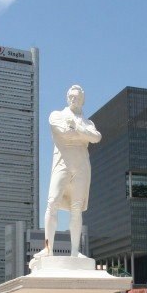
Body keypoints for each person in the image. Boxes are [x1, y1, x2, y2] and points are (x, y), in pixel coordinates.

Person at [33, 85, 101, 261]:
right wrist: (83, 135)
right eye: (71, 97)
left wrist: (77, 127)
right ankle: (48, 248)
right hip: (62, 163)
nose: (73, 100)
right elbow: (64, 133)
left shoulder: (88, 123)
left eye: (77, 97)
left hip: (81, 166)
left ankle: (75, 252)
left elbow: (96, 137)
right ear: (67, 98)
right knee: (52, 203)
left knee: (76, 209)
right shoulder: (56, 115)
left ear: (82, 100)